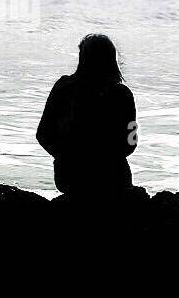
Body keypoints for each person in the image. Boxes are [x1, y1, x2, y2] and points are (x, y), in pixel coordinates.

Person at [36, 34, 138, 196]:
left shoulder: (63, 87)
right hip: (113, 178)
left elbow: (43, 134)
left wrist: (65, 156)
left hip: (69, 177)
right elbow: (130, 143)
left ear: (82, 58)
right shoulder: (122, 94)